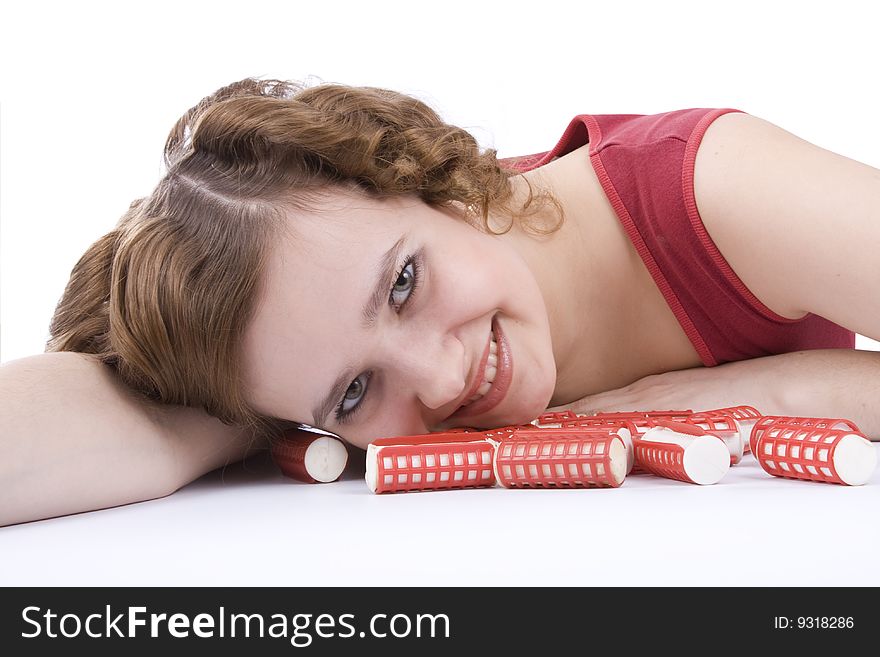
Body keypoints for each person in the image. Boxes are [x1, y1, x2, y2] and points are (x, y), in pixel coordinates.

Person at [2, 77, 878, 527]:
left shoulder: (715, 190)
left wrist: (797, 393)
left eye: (404, 282)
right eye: (353, 392)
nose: (441, 374)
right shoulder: (291, 348)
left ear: (430, 180)